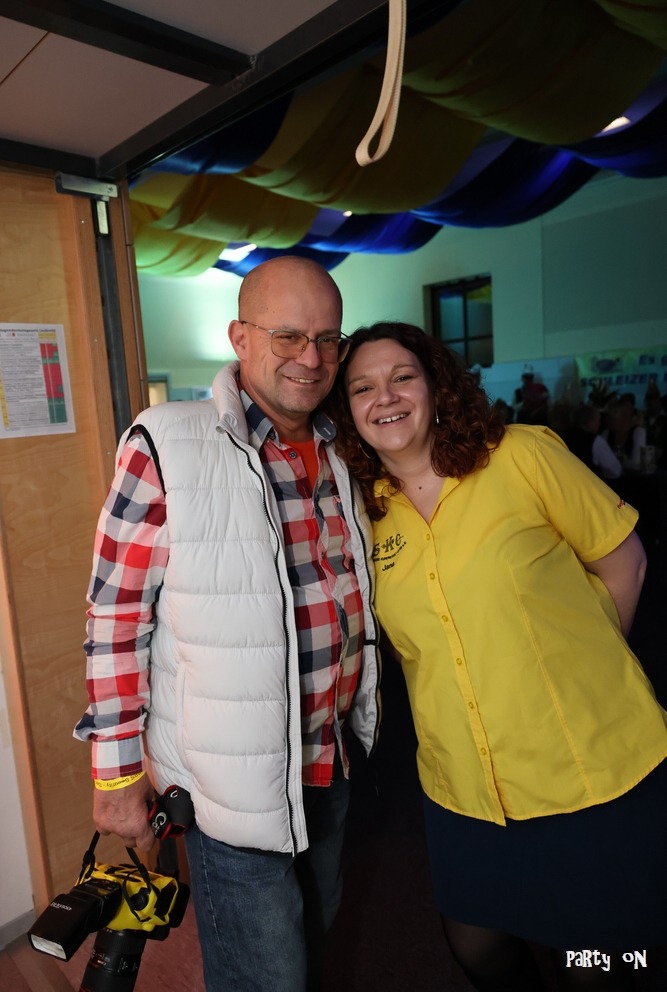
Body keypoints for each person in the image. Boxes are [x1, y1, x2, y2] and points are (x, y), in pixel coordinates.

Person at [328, 321, 667, 992]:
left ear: (435, 385)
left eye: (402, 377)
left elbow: (624, 562)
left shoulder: (519, 455)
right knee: (477, 946)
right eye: (362, 388)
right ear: (348, 410)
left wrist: (586, 670)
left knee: (598, 964)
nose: (384, 397)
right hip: (465, 781)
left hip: (584, 763)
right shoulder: (362, 514)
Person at [73, 256, 380, 992]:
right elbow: (115, 614)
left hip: (328, 761)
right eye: (288, 336)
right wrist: (116, 771)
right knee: (265, 976)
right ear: (240, 338)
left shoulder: (345, 451)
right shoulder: (166, 441)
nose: (311, 358)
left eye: (328, 339)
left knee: (314, 937)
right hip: (227, 786)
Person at [561, 403, 622, 479]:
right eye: (598, 420)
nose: (599, 423)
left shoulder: (561, 436)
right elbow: (615, 470)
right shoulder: (596, 441)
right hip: (587, 483)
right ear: (590, 422)